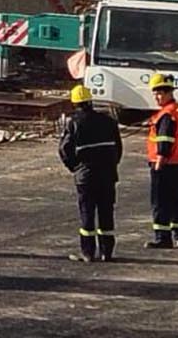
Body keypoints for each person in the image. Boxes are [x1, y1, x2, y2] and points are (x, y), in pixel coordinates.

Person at [57, 84, 121, 262]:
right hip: (107, 175)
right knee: (106, 212)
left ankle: (87, 252)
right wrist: (111, 165)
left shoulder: (74, 123)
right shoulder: (108, 121)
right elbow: (118, 149)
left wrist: (75, 168)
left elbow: (64, 149)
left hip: (86, 177)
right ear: (90, 101)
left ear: (74, 103)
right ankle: (106, 252)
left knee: (87, 214)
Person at [146, 73, 178, 248]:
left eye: (159, 93)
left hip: (166, 164)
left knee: (160, 202)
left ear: (168, 93)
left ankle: (162, 238)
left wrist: (160, 160)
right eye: (155, 94)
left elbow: (165, 140)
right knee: (176, 201)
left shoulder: (167, 115)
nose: (156, 97)